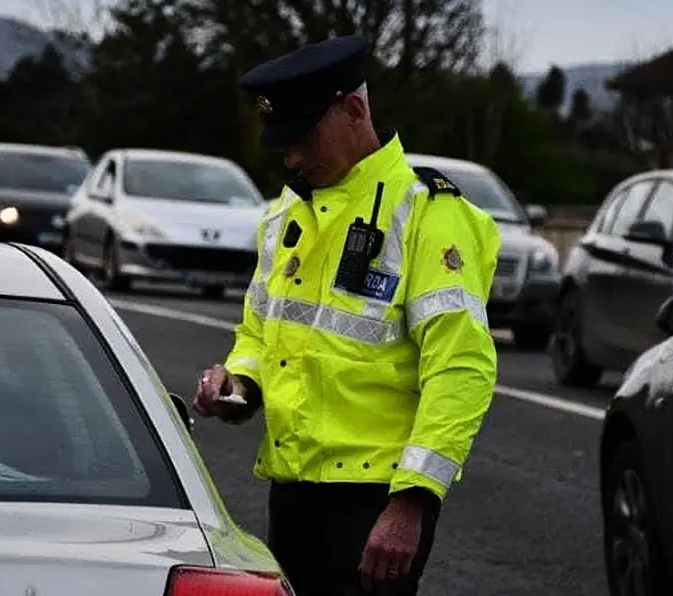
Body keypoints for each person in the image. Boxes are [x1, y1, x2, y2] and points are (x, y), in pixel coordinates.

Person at [193, 33, 501, 596]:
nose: (291, 156)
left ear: (354, 110)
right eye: (283, 142)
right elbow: (260, 331)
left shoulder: (429, 214)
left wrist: (411, 502)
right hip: (292, 488)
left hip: (376, 499)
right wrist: (238, 382)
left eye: (303, 137)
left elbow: (461, 369)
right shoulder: (286, 213)